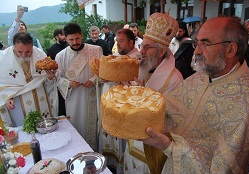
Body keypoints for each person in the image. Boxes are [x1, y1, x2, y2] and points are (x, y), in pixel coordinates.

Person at [140, 17, 249, 174]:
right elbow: (167, 110)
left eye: (206, 43)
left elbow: (224, 168)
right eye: (197, 43)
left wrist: (170, 147)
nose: (196, 51)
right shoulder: (200, 77)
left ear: (230, 49)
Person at [123, 13, 183, 174]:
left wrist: (144, 94)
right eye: (142, 45)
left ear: (162, 52)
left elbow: (171, 117)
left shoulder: (175, 79)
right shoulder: (142, 66)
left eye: (147, 47)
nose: (141, 51)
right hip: (133, 137)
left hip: (153, 146)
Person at [98, 28, 141, 172]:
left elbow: (141, 85)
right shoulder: (114, 56)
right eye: (117, 41)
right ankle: (110, 162)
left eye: (121, 41)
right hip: (112, 104)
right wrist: (105, 78)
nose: (118, 44)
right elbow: (106, 78)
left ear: (130, 42)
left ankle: (121, 165)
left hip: (127, 107)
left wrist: (121, 80)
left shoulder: (139, 59)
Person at [55, 23, 102, 150]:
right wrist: (69, 83)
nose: (75, 42)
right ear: (65, 38)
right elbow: (58, 79)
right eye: (71, 39)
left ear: (82, 35)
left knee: (94, 126)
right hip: (74, 100)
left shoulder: (96, 50)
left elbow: (102, 71)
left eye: (77, 38)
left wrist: (93, 80)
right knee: (76, 127)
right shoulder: (60, 56)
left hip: (93, 96)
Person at [0, 32, 57, 127]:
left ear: (32, 47)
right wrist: (7, 97)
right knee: (24, 130)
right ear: (13, 47)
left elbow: (47, 82)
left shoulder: (39, 54)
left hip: (41, 101)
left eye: (28, 52)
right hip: (18, 104)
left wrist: (50, 78)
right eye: (20, 52)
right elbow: (2, 84)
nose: (24, 55)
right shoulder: (3, 59)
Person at [46, 28, 67, 117]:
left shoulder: (69, 47)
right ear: (56, 37)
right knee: (61, 104)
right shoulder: (51, 50)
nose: (64, 37)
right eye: (62, 35)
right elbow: (49, 65)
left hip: (69, 78)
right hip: (58, 80)